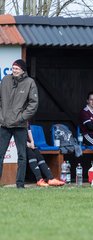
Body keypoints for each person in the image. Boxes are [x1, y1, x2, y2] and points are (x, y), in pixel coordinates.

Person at [0, 59, 39, 188]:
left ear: (23, 70)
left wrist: (22, 117)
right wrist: (1, 116)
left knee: (22, 155)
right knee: (0, 154)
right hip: (4, 125)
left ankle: (20, 185)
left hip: (20, 125)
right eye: (13, 68)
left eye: (17, 68)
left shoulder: (29, 82)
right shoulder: (5, 80)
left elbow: (33, 104)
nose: (14, 70)